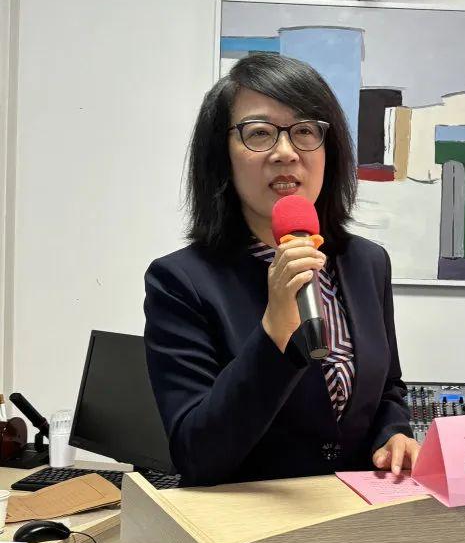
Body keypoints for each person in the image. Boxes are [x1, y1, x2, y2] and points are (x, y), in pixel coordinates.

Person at [143, 53, 419, 487]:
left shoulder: (367, 262)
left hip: (356, 512)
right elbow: (196, 454)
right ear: (222, 155)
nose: (286, 152)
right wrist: (273, 330)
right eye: (259, 133)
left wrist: (394, 433)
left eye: (305, 131)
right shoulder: (180, 282)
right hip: (248, 522)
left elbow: (388, 389)